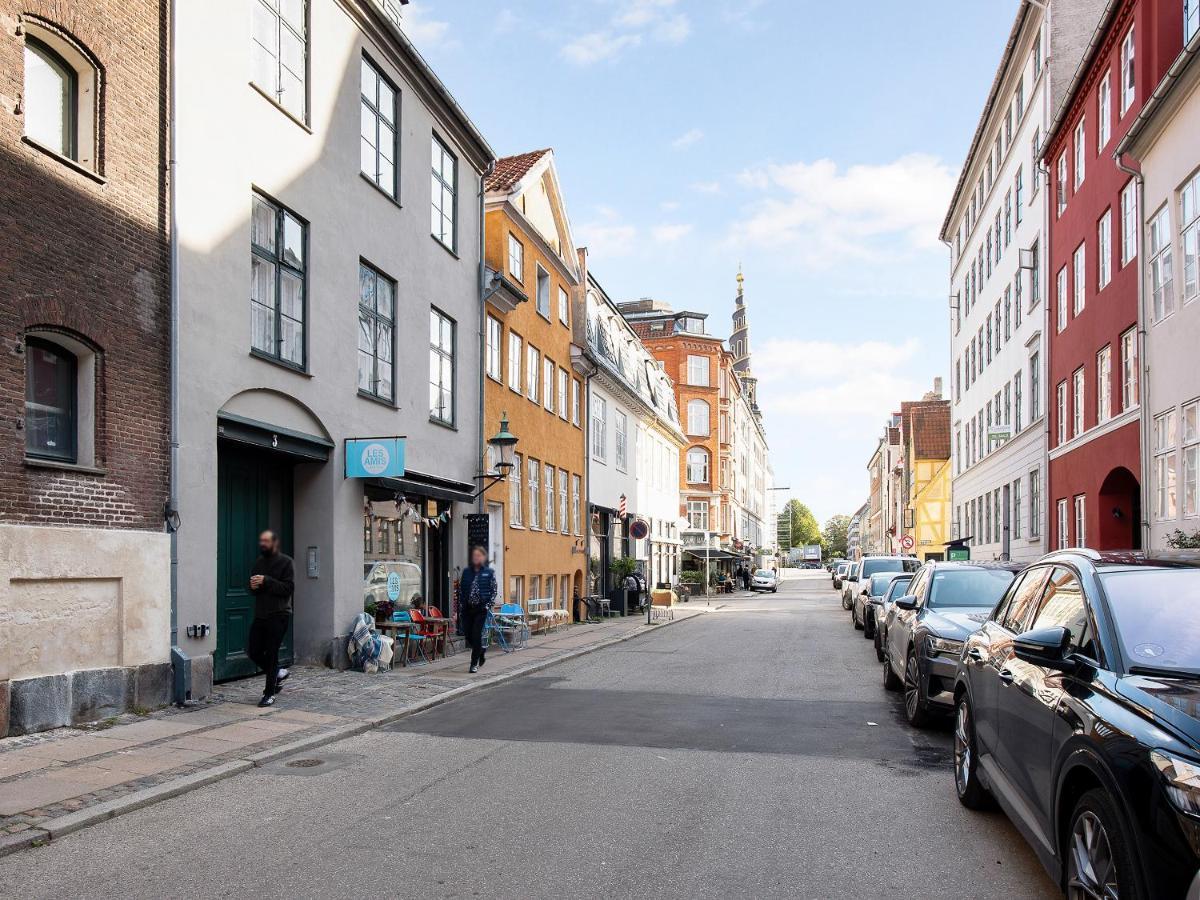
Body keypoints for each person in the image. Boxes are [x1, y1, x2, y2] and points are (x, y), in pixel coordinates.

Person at [246, 529, 294, 707]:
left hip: (279, 614)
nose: (263, 545)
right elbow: (252, 589)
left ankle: (269, 694)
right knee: (254, 651)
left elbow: (288, 589)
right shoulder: (259, 562)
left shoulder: (286, 563)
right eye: (261, 542)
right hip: (261, 615)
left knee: (272, 653)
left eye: (266, 542)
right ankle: (278, 673)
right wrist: (252, 586)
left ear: (275, 544)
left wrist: (266, 581)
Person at [457, 545, 497, 673]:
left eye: (479, 555)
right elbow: (461, 590)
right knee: (468, 635)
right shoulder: (466, 572)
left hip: (480, 609)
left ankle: (474, 663)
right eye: (474, 555)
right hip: (467, 609)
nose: (476, 558)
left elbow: (493, 591)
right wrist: (461, 606)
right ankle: (481, 651)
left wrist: (487, 605)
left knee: (476, 634)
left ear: (484, 557)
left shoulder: (488, 573)